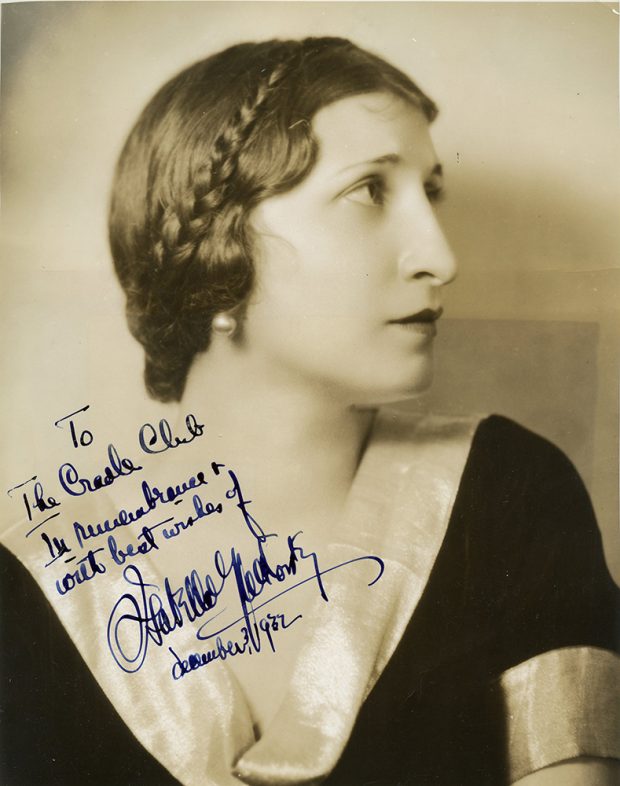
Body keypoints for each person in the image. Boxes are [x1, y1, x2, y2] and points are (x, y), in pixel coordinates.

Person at [1, 37, 618, 786]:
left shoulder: (512, 494)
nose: (440, 257)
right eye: (370, 192)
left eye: (432, 193)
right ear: (218, 254)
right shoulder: (32, 585)